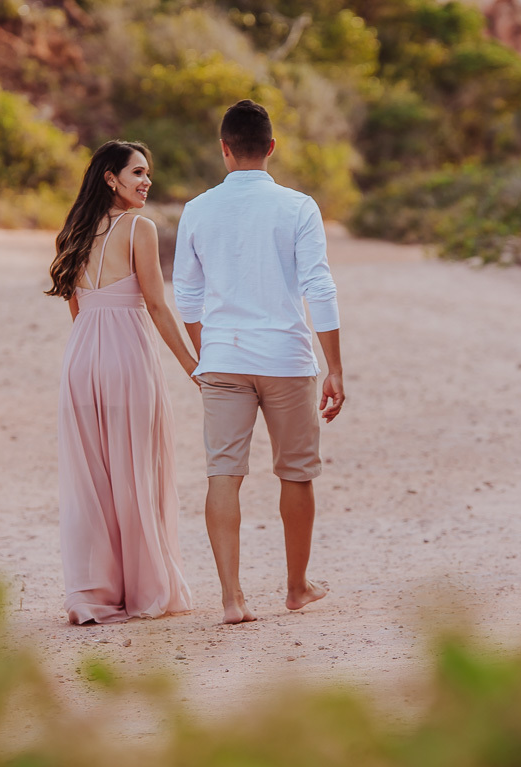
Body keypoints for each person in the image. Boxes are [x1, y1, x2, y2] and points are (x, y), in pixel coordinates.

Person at [173, 100, 345, 625]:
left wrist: (210, 351)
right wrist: (334, 365)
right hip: (287, 360)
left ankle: (232, 599)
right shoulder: (298, 206)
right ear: (271, 147)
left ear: (224, 149)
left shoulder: (198, 209)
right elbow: (319, 284)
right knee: (296, 474)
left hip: (223, 358)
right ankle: (296, 588)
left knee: (223, 474)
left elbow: (186, 293)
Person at [47, 140, 197, 624]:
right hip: (127, 357)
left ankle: (95, 593)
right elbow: (155, 305)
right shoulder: (141, 228)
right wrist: (193, 365)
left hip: (81, 358)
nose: (146, 181)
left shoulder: (73, 231)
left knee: (94, 480)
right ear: (110, 178)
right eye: (137, 172)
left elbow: (76, 307)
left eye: (147, 173)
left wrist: (92, 348)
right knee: (136, 472)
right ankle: (144, 589)